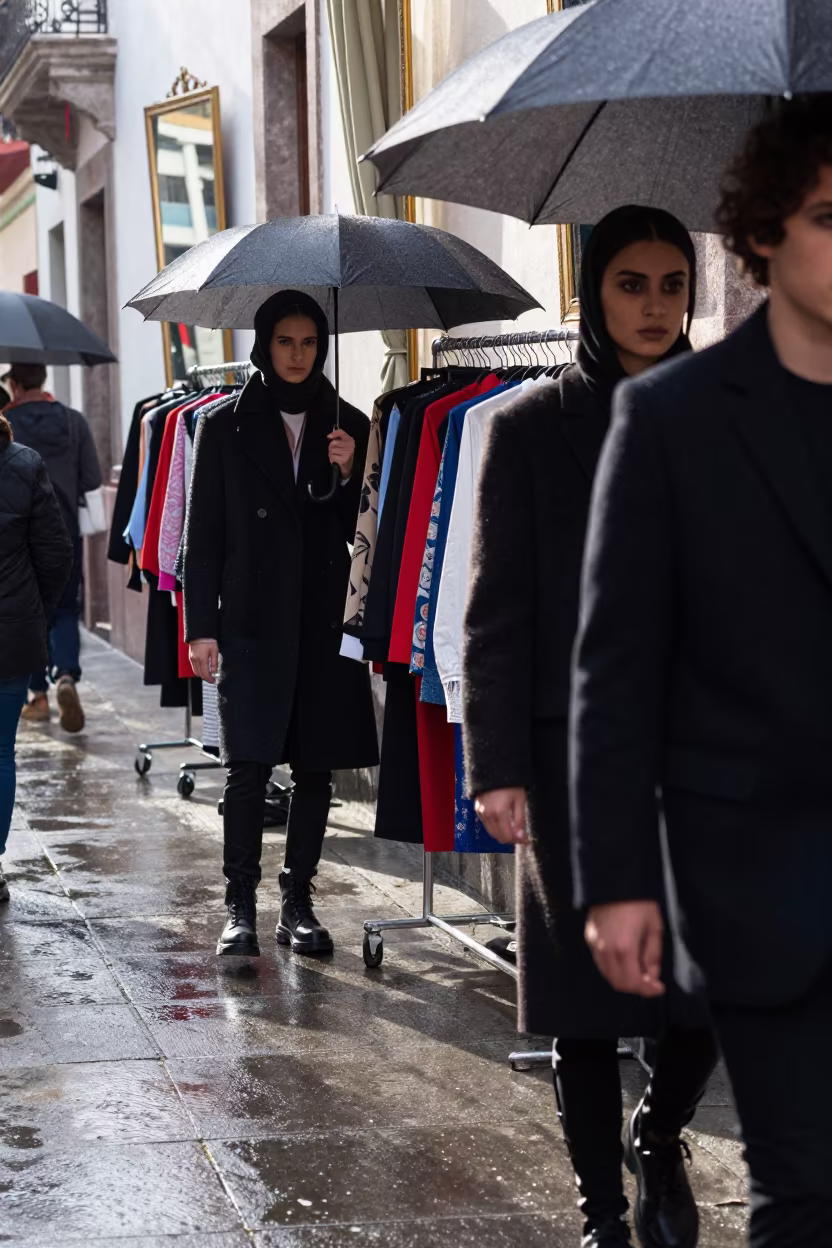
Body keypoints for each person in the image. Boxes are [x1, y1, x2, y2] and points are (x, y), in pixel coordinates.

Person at [570, 97, 832, 1248]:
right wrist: (620, 879)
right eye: (831, 215)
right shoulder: (675, 418)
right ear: (764, 232)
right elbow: (616, 667)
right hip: (761, 878)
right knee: (807, 1194)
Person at [463, 206, 718, 1248]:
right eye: (630, 283)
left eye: (670, 283)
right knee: (580, 995)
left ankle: (656, 1135)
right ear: (591, 293)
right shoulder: (529, 429)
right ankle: (602, 1212)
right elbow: (496, 611)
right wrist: (498, 766)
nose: (653, 305)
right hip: (570, 750)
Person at [184, 290, 378, 960]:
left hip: (321, 624)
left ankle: (298, 902)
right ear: (265, 344)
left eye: (309, 342)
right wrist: (199, 628)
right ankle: (239, 908)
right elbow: (201, 535)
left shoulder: (348, 423)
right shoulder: (225, 426)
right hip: (250, 622)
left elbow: (367, 530)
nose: (298, 355)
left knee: (316, 770)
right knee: (247, 766)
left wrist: (353, 471)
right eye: (285, 342)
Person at [2, 362, 102, 733]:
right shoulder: (73, 421)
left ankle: (37, 696)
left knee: (29, 610)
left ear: (14, 384)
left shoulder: (7, 422)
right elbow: (91, 476)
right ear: (43, 380)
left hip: (15, 533)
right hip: (65, 531)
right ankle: (66, 676)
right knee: (64, 607)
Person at [0, 412, 73, 902]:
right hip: (11, 633)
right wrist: (35, 612)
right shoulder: (24, 464)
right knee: (1, 752)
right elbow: (55, 553)